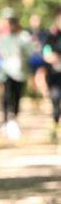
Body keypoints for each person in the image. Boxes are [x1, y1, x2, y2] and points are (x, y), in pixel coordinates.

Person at [0, 14, 31, 139]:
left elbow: (30, 53)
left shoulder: (24, 38)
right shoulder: (3, 38)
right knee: (7, 96)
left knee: (17, 96)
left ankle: (13, 119)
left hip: (20, 73)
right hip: (6, 72)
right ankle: (5, 121)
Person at [42, 7, 61, 143]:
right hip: (54, 77)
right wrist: (50, 57)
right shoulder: (50, 37)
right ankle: (54, 127)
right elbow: (45, 52)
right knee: (55, 102)